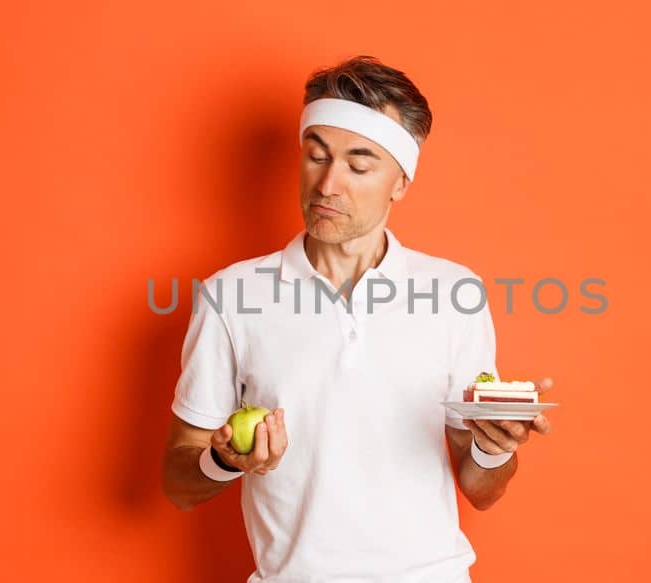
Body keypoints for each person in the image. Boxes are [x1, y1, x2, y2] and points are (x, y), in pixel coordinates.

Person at [160, 55, 553, 583]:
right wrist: (227, 461)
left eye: (359, 166)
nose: (327, 185)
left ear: (400, 183)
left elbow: (482, 490)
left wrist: (491, 445)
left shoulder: (454, 292)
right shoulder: (230, 295)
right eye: (316, 156)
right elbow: (180, 483)